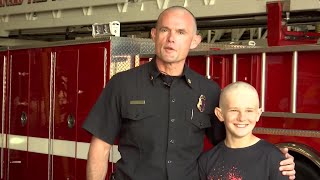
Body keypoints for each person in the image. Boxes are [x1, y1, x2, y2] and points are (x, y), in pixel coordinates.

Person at [82, 6, 296, 180]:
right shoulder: (122, 84)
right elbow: (100, 148)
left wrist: (276, 158)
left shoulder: (209, 91)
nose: (171, 38)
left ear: (194, 41)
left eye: (181, 32)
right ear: (154, 36)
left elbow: (234, 142)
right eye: (165, 30)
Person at [199, 81, 288, 180]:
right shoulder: (207, 160)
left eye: (249, 110)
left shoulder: (274, 158)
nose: (242, 118)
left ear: (258, 114)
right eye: (234, 110)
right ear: (220, 114)